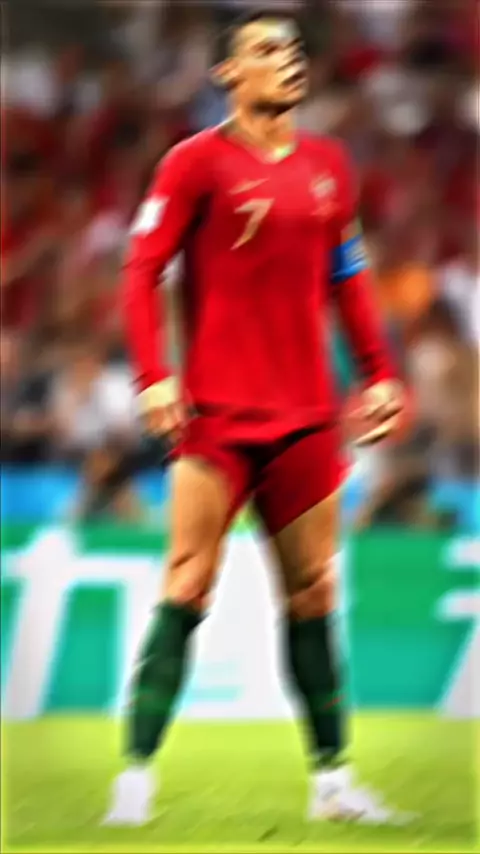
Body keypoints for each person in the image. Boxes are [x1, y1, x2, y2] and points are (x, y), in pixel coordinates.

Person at [105, 9, 407, 826]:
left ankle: (333, 783)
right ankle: (134, 779)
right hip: (217, 417)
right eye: (267, 50)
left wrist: (378, 374)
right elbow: (140, 269)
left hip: (306, 416)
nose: (288, 60)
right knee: (187, 580)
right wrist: (154, 377)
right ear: (228, 74)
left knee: (313, 590)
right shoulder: (194, 164)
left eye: (294, 49)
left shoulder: (329, 165)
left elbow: (348, 274)